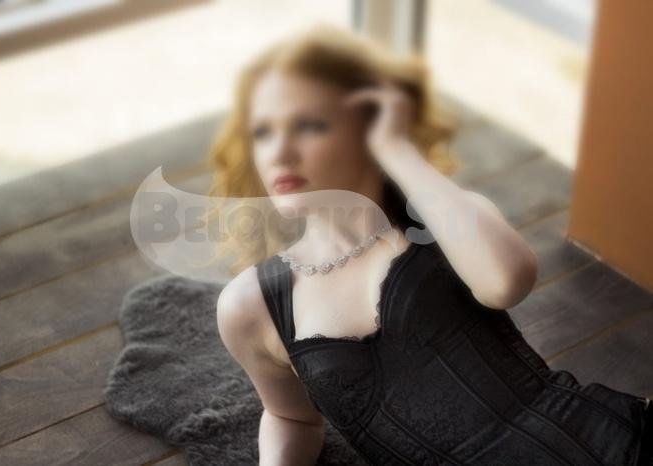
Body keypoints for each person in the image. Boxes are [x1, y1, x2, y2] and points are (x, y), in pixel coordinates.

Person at [211, 23, 653, 465]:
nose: (278, 153)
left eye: (308, 124)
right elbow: (290, 417)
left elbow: (507, 283)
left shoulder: (446, 222)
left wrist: (395, 146)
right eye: (262, 132)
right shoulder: (252, 305)